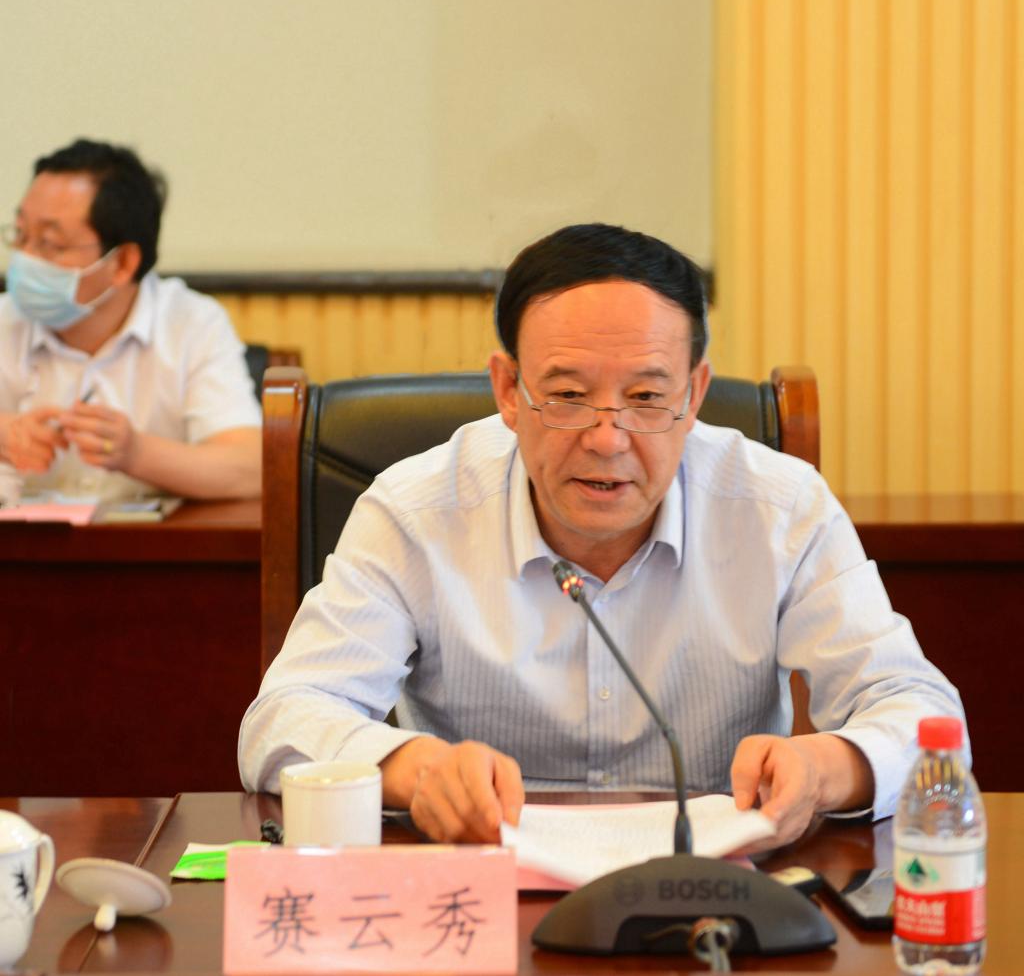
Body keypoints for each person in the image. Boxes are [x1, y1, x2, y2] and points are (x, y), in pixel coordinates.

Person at [238, 223, 966, 850]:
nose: (608, 437)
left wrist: (828, 768)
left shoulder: (778, 507)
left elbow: (923, 712)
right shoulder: (416, 510)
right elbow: (284, 717)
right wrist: (416, 769)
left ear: (694, 394)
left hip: (714, 894)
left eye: (647, 397)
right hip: (488, 888)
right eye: (567, 395)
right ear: (508, 390)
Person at [0, 138, 261, 504]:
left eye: (50, 243)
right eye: (21, 234)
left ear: (122, 263)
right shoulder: (5, 320)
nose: (24, 259)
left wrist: (136, 453)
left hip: (150, 540)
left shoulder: (192, 324)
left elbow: (250, 469)